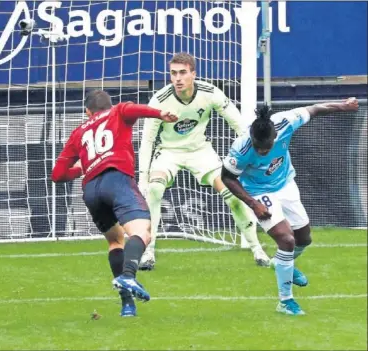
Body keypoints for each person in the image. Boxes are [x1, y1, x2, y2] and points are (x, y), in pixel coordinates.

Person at [221, 97, 359, 315]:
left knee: (304, 239)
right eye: (259, 148)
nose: (263, 152)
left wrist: (344, 106)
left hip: (286, 183)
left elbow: (314, 108)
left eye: (266, 148)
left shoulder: (285, 122)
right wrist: (253, 203)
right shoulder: (242, 148)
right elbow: (227, 178)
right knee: (286, 239)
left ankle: (281, 263)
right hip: (259, 192)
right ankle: (285, 301)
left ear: (275, 136)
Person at [51, 90, 178, 317]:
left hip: (91, 191)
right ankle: (128, 275)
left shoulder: (78, 132)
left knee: (115, 240)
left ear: (87, 111)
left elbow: (57, 174)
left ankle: (127, 305)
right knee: (142, 232)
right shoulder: (118, 111)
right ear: (110, 105)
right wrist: (160, 113)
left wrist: (83, 168)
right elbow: (133, 109)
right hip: (116, 180)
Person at [138, 52, 270, 270]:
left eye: (182, 73)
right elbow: (147, 140)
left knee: (232, 194)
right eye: (173, 73)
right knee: (153, 189)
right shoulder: (159, 100)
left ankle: (257, 249)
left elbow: (238, 126)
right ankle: (148, 252)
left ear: (193, 73)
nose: (177, 78)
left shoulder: (210, 93)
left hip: (201, 151)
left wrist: (250, 158)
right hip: (169, 152)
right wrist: (142, 177)